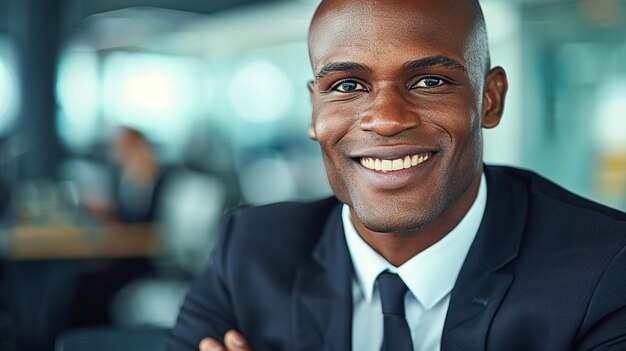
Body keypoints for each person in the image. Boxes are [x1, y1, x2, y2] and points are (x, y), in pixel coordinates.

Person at [167, 0, 626, 350]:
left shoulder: (603, 270)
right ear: (314, 109)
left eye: (430, 82)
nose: (386, 119)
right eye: (347, 86)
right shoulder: (249, 250)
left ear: (489, 99)